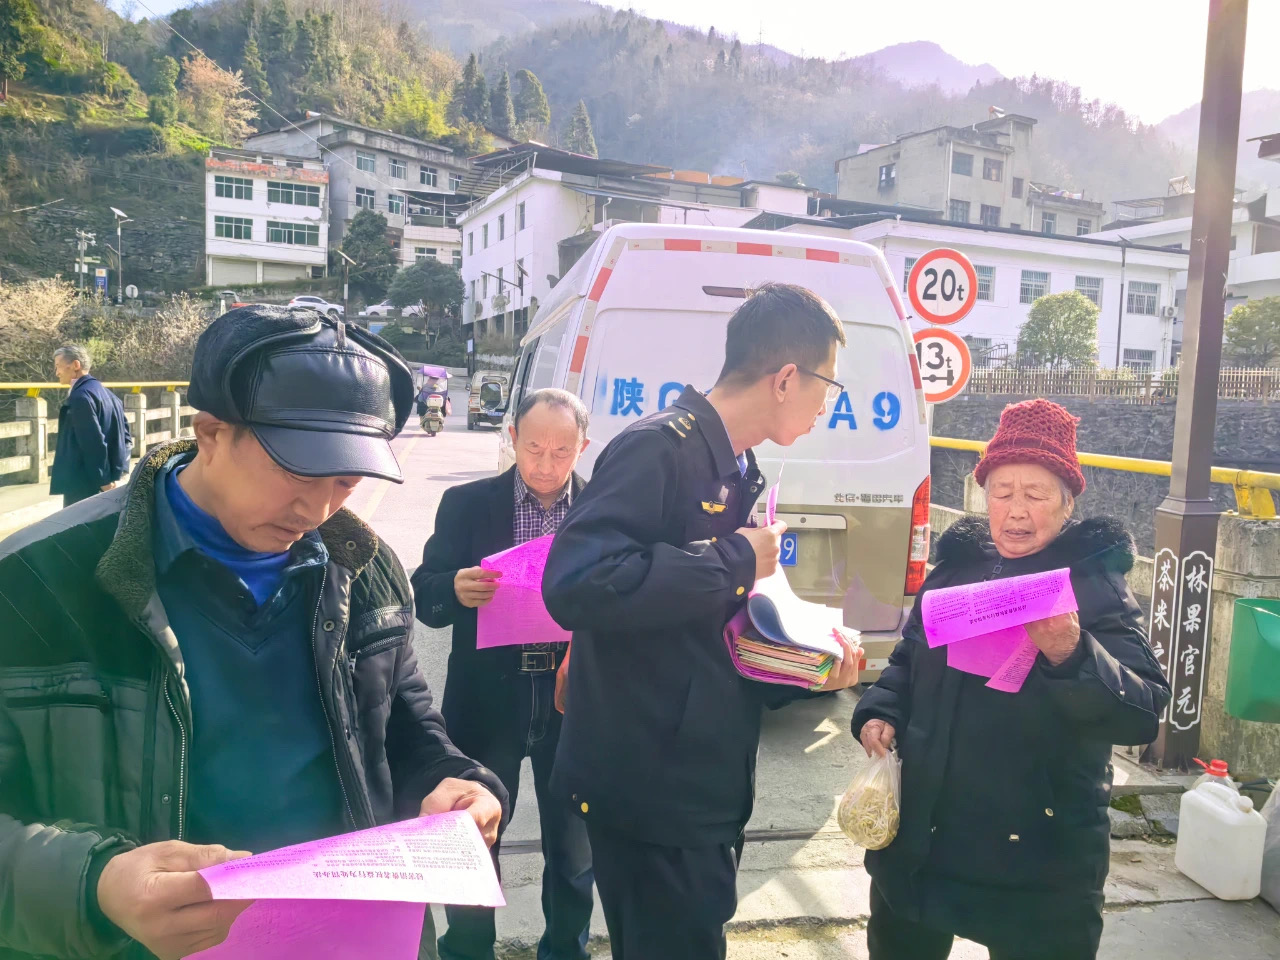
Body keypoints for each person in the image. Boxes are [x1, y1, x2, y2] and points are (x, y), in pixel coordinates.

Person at [0, 307, 507, 960]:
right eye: (296, 471)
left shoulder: (366, 569)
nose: (317, 509)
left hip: (343, 938)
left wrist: (455, 782)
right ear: (211, 432)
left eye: (346, 481)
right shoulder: (35, 583)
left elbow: (406, 730)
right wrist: (94, 886)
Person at [542, 283, 864, 960]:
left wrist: (803, 663)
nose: (827, 406)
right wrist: (732, 559)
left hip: (701, 782)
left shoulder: (739, 465)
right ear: (786, 378)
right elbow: (576, 582)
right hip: (650, 789)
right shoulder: (658, 449)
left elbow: (709, 633)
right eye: (828, 385)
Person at [851, 398, 1172, 960]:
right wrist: (881, 710)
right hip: (928, 836)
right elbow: (909, 657)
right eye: (1002, 492)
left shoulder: (1093, 584)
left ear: (1068, 503)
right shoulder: (957, 567)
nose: (1016, 511)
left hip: (1037, 859)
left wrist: (1071, 652)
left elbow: (1141, 713)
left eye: (1036, 494)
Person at [413, 388, 594, 960]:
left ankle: (565, 950)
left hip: (571, 694)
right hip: (490, 695)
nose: (545, 465)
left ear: (582, 447)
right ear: (512, 437)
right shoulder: (467, 505)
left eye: (561, 452)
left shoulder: (601, 511)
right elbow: (424, 593)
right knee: (473, 834)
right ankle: (468, 949)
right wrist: (453, 588)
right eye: (534, 448)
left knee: (574, 845)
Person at [48, 344, 132, 507]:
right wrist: (117, 472)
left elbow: (92, 442)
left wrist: (103, 481)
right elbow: (126, 437)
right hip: (106, 478)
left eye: (58, 366)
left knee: (77, 522)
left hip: (84, 481)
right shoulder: (109, 394)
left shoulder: (80, 397)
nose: (57, 372)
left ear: (75, 365)